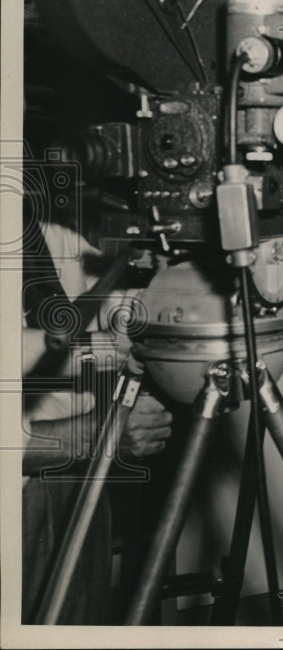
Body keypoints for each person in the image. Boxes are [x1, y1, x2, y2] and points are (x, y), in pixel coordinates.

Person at [21, 216, 173, 624]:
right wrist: (98, 435)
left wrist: (156, 298)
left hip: (77, 475)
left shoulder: (42, 234)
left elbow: (108, 306)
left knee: (83, 621)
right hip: (21, 488)